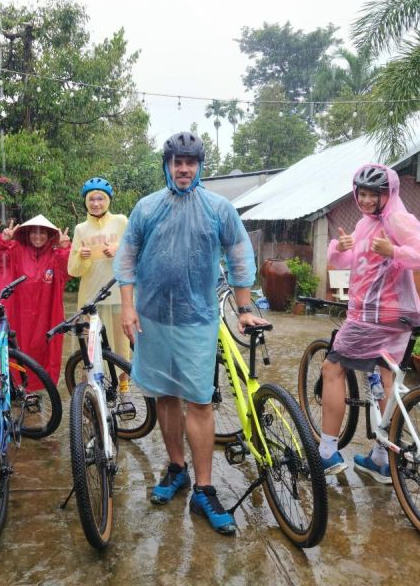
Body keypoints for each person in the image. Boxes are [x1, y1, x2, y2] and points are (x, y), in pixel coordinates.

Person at [114, 131, 268, 535]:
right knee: (165, 397)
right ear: (166, 165)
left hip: (197, 319)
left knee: (200, 401)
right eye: (177, 162)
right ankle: (176, 468)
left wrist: (246, 307)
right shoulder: (147, 208)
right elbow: (127, 257)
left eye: (190, 162)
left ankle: (204, 488)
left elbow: (238, 253)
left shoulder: (218, 208)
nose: (183, 168)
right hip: (152, 318)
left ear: (199, 166)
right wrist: (127, 307)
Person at [319, 164, 420, 482]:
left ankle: (327, 454)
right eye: (364, 193)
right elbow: (351, 263)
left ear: (390, 193)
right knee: (385, 379)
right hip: (399, 316)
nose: (368, 200)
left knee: (332, 368)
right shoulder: (366, 224)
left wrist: (394, 250)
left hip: (375, 316)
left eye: (375, 194)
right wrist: (339, 248)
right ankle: (383, 459)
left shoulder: (396, 219)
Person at [0, 215, 71, 386]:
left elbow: (67, 271)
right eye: (33, 232)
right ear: (27, 234)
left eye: (42, 233)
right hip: (18, 314)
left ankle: (35, 386)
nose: (38, 236)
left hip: (45, 315)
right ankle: (13, 385)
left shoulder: (54, 255)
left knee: (43, 351)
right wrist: (2, 241)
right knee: (15, 349)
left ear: (49, 235)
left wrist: (65, 249)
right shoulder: (15, 250)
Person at [68, 177, 131, 391]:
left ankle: (124, 387)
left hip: (117, 295)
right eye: (91, 199)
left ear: (108, 201)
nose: (96, 203)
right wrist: (81, 256)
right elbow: (73, 270)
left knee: (121, 345)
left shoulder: (121, 222)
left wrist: (118, 248)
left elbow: (136, 253)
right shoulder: (80, 229)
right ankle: (94, 388)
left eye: (100, 199)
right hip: (90, 298)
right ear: (86, 202)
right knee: (90, 346)